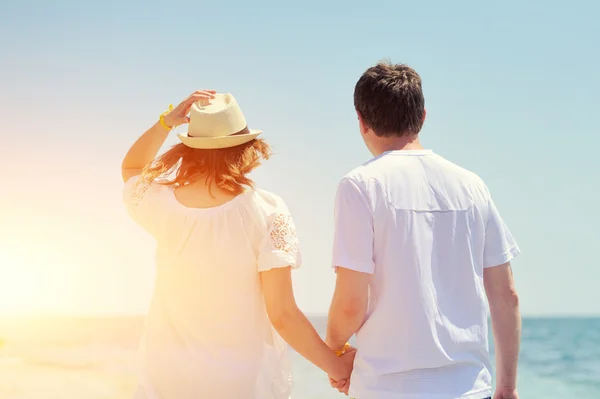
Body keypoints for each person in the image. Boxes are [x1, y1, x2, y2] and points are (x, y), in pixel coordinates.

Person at [121, 90, 351, 398]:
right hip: (242, 384)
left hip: (167, 380)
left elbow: (132, 169)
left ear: (191, 149)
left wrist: (166, 122)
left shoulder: (160, 202)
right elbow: (282, 313)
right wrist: (337, 368)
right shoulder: (267, 210)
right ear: (245, 148)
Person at [325, 62, 522, 399]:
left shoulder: (360, 186)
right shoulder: (472, 185)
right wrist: (506, 388)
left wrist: (335, 354)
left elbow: (350, 305)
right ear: (423, 116)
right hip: (469, 389)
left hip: (386, 389)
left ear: (361, 121)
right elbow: (506, 296)